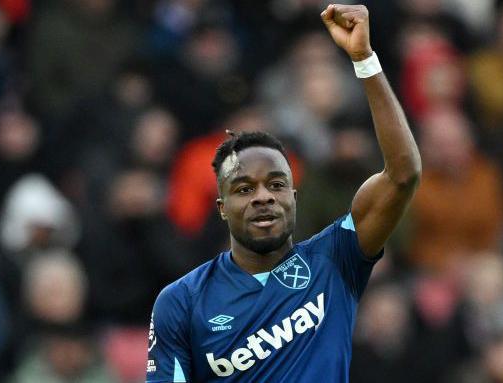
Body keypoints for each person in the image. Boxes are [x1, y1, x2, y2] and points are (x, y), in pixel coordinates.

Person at [146, 4, 421, 382]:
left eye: (276, 184)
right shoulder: (181, 301)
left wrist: (364, 59)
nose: (263, 196)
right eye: (244, 188)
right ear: (223, 207)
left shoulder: (335, 259)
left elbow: (403, 174)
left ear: (294, 196)